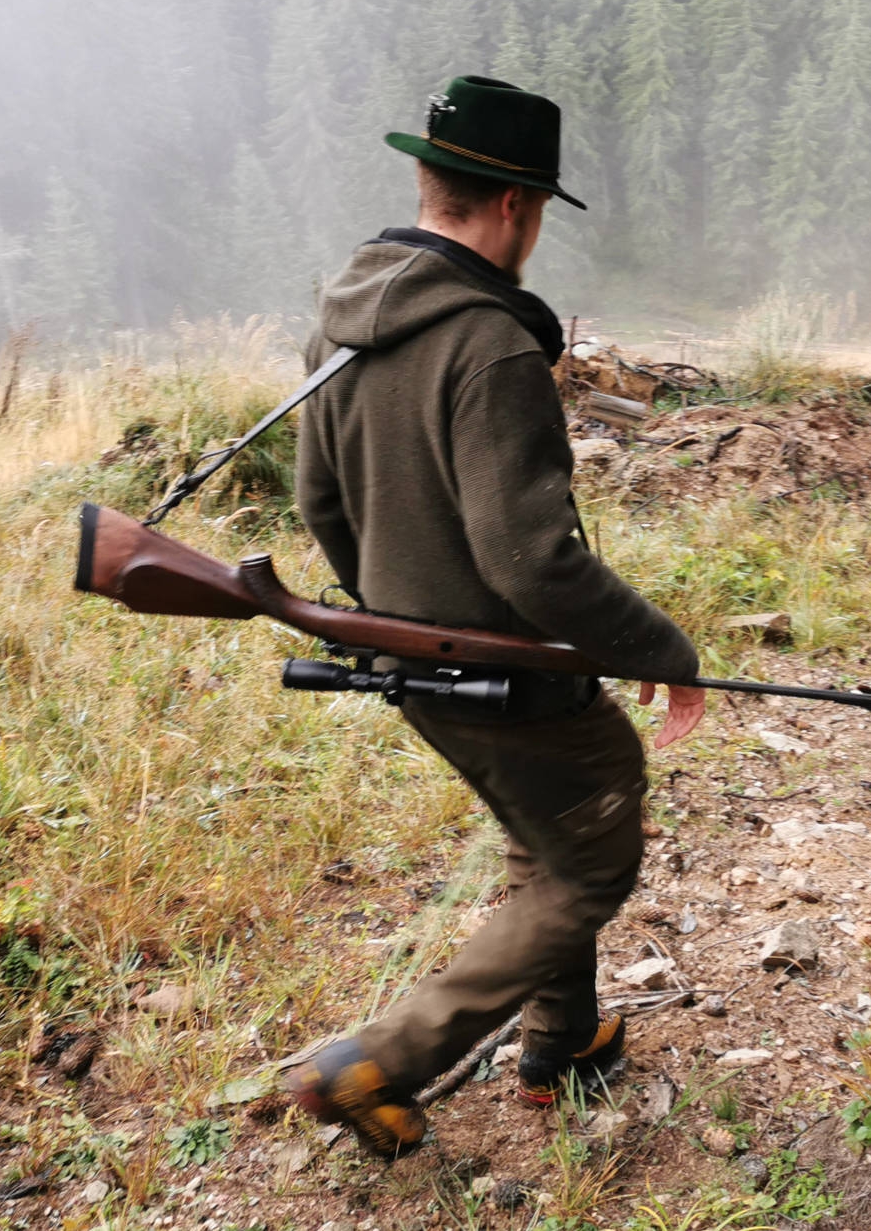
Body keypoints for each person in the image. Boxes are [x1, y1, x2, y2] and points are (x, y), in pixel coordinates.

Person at [281, 75, 705, 1156]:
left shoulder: (337, 325)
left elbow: (318, 503)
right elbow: (532, 560)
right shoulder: (493, 345)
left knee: (542, 837)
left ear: (430, 178)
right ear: (515, 206)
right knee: (591, 866)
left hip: (410, 666)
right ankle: (382, 1059)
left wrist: (388, 614)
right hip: (512, 672)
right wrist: (663, 649)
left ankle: (559, 1045)